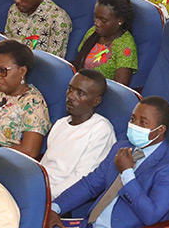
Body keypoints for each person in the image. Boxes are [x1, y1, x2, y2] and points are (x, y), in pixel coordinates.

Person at [48, 97, 169, 228]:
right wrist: (55, 207)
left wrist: (127, 173)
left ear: (160, 130)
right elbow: (91, 184)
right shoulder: (121, 148)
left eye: (143, 122)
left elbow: (151, 215)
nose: (135, 125)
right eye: (133, 119)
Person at [38, 70, 116, 199]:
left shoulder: (100, 130)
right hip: (40, 187)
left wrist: (45, 195)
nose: (71, 96)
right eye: (70, 89)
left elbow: (82, 179)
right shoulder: (60, 123)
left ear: (96, 101)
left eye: (80, 93)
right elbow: (45, 166)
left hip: (59, 198)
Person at [71, 0, 140, 86]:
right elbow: (78, 63)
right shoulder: (93, 32)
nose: (97, 23)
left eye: (103, 20)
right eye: (95, 17)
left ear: (120, 20)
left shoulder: (125, 46)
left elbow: (120, 88)